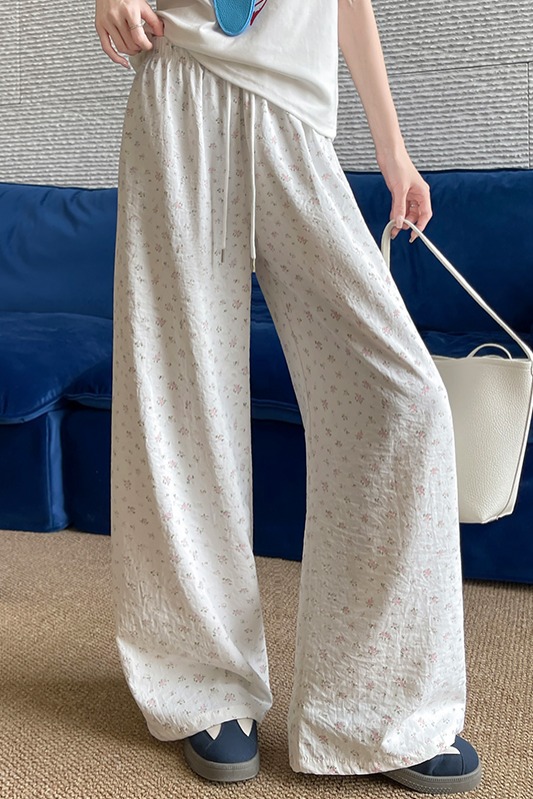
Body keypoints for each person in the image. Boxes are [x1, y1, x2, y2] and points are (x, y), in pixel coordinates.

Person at [94, 0, 482, 793]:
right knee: (180, 399)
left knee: (400, 398)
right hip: (180, 84)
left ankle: (381, 704)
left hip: (294, 115)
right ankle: (203, 684)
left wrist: (393, 150)